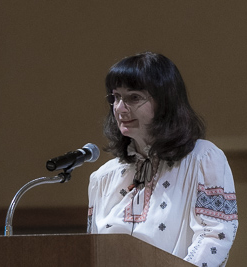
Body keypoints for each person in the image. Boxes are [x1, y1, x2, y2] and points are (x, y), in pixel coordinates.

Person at [87, 51, 238, 267]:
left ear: (165, 102)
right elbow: (93, 253)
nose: (120, 108)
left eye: (134, 97)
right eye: (116, 97)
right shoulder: (103, 177)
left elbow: (215, 237)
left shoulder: (203, 159)